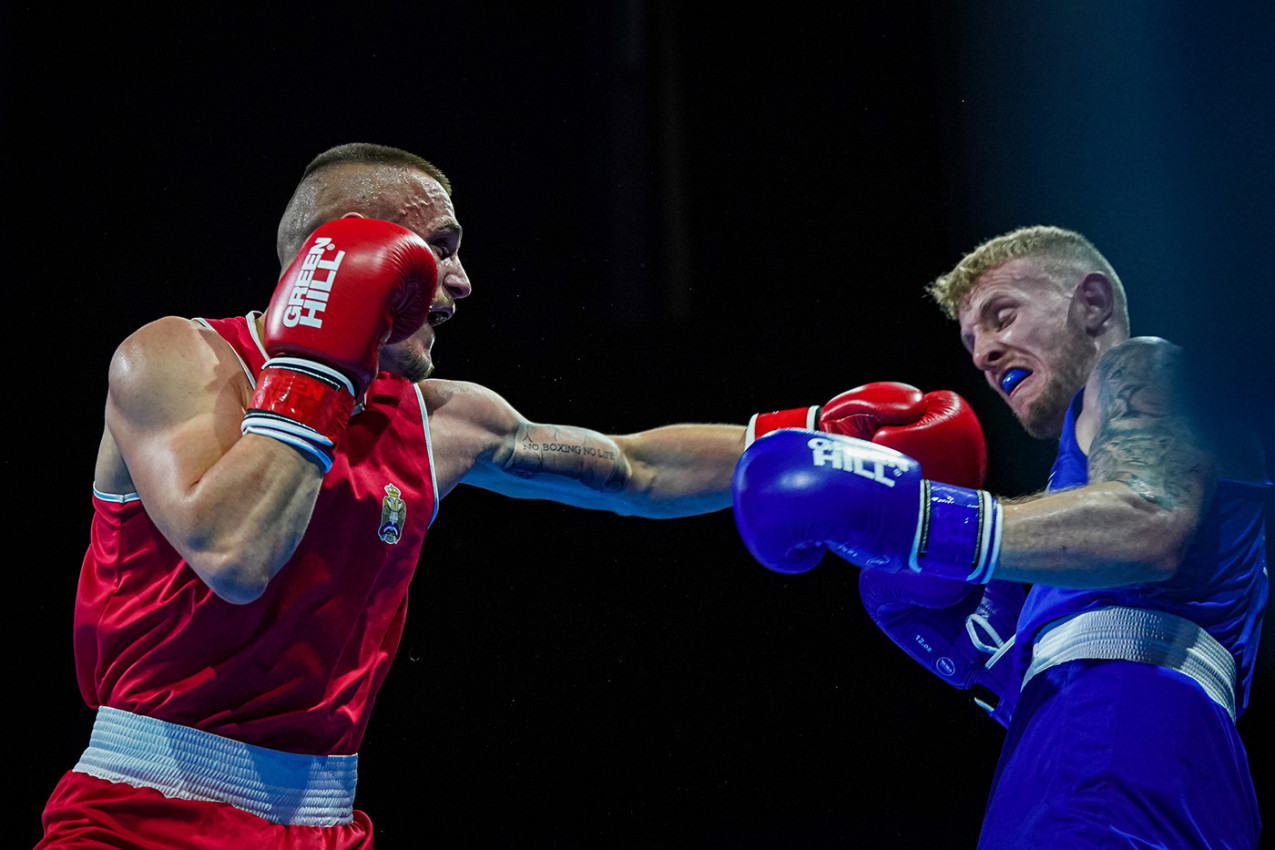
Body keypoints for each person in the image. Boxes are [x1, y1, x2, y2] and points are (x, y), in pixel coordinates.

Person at [37, 142, 986, 849]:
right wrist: (315, 370)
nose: (461, 281)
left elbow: (630, 469)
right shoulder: (176, 357)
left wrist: (808, 433)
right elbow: (234, 555)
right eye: (437, 250)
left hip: (322, 821)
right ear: (353, 255)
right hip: (140, 814)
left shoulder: (442, 417)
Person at [732, 225, 1269, 848]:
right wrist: (998, 665)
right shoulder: (1076, 499)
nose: (984, 353)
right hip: (1134, 747)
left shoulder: (1140, 365)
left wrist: (917, 521)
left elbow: (1148, 519)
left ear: (1092, 304)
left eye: (1001, 315)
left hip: (1113, 737)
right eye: (971, 340)